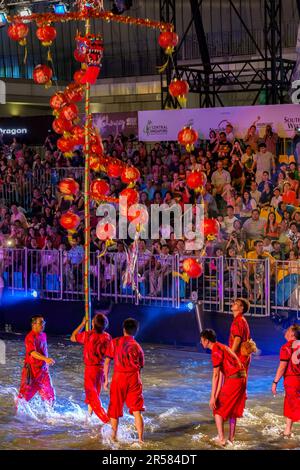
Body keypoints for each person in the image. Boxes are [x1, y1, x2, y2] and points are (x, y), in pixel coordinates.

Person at [200, 329, 247, 446]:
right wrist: (216, 395)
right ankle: (231, 439)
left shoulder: (215, 350)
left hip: (234, 379)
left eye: (201, 340)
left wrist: (212, 398)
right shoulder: (221, 346)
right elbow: (221, 374)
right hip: (241, 378)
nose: (201, 343)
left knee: (217, 408)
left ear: (206, 340)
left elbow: (215, 375)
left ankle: (221, 439)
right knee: (233, 411)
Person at [104, 318, 145, 443]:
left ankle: (113, 437)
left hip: (119, 378)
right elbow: (140, 367)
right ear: (136, 331)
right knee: (137, 410)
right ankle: (140, 439)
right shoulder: (137, 347)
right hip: (134, 378)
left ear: (123, 329)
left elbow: (107, 362)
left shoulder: (115, 342)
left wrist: (106, 379)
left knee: (115, 410)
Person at [71, 313, 111, 423]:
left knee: (93, 399)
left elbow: (73, 337)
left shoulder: (88, 335)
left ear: (93, 324)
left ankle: (107, 421)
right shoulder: (107, 337)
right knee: (93, 396)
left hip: (90, 370)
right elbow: (109, 357)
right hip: (100, 370)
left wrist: (83, 323)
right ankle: (89, 417)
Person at [18, 315, 55, 405]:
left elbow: (43, 350)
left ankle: (49, 417)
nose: (43, 325)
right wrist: (45, 359)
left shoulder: (43, 335)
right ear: (33, 324)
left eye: (44, 322)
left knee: (50, 397)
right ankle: (16, 416)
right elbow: (32, 352)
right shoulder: (30, 337)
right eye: (41, 323)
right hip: (31, 372)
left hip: (43, 371)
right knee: (23, 398)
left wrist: (46, 363)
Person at [272, 324, 300, 437]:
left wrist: (275, 382)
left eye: (288, 330)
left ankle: (287, 431)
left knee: (291, 405)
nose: (286, 331)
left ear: (292, 334)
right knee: (293, 405)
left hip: (292, 380)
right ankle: (287, 431)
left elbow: (282, 366)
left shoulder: (286, 347)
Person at [229, 299, 251, 372]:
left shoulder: (238, 321)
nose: (233, 304)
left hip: (239, 358)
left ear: (241, 308)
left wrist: (231, 356)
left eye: (236, 303)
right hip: (243, 357)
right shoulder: (242, 320)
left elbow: (237, 339)